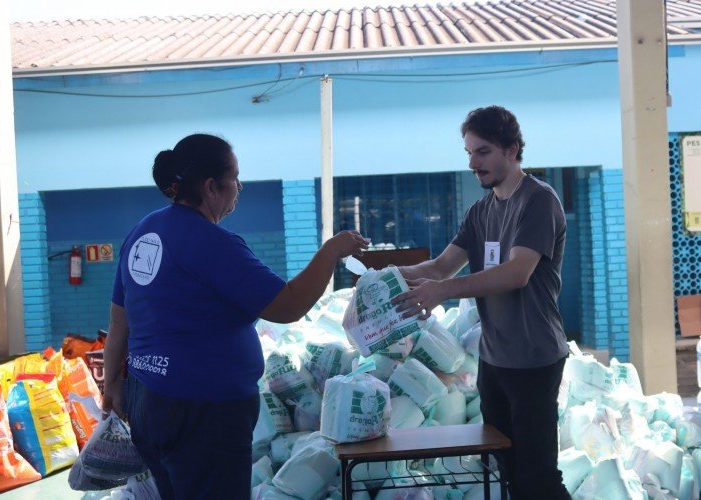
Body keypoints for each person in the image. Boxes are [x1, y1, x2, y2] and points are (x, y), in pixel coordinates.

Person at [102, 133, 368, 499]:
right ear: (211, 187)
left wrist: (112, 386)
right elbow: (288, 305)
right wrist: (330, 252)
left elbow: (119, 322)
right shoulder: (211, 243)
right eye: (235, 178)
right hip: (202, 413)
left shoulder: (143, 231)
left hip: (148, 398)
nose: (239, 186)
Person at [393, 106, 570, 499]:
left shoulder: (538, 201)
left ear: (512, 150)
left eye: (483, 151)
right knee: (505, 470)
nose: (474, 163)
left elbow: (516, 273)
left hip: (534, 358)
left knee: (537, 477)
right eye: (470, 153)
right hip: (495, 361)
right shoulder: (480, 212)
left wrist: (444, 291)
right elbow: (441, 267)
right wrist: (389, 277)